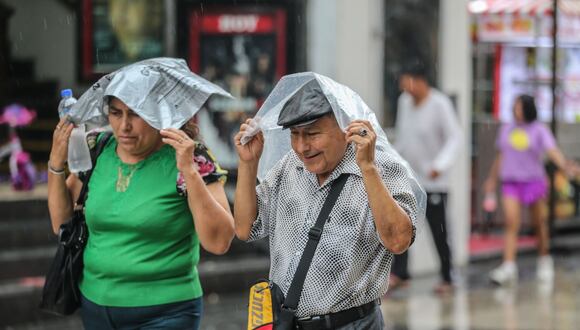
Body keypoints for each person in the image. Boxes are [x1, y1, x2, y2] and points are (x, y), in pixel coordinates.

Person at [233, 74, 423, 329]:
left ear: (346, 127)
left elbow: (398, 241)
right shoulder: (289, 167)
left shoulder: (382, 168)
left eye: (312, 134)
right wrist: (248, 164)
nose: (302, 147)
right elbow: (245, 228)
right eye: (295, 134)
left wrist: (367, 168)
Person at [47, 73, 235, 328]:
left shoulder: (191, 156)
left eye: (135, 114)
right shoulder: (97, 147)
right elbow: (61, 223)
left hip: (166, 312)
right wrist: (56, 165)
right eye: (116, 113)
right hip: (94, 306)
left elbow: (219, 241)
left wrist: (190, 172)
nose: (124, 126)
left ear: (159, 113)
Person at [484, 94, 579, 285]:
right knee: (511, 223)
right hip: (511, 182)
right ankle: (509, 266)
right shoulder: (506, 129)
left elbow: (552, 151)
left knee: (539, 223)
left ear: (527, 108)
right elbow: (500, 156)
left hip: (533, 182)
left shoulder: (538, 130)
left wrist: (565, 166)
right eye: (514, 106)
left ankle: (544, 259)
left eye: (519, 106)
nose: (515, 110)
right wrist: (492, 180)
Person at [391, 63, 462, 294]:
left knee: (439, 230)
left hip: (434, 182)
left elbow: (455, 138)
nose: (406, 89)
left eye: (409, 82)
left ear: (421, 81)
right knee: (403, 225)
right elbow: (404, 137)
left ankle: (448, 276)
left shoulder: (439, 104)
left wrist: (439, 165)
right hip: (409, 179)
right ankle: (401, 272)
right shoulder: (404, 103)